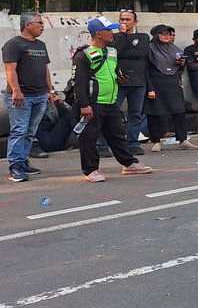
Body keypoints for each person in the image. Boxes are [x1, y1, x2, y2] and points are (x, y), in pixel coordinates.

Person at [73, 16, 154, 182]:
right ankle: (91, 170)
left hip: (110, 101)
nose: (113, 33)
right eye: (109, 30)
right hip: (92, 103)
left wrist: (120, 79)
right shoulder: (83, 54)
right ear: (98, 33)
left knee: (117, 135)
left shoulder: (112, 51)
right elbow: (79, 83)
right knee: (89, 137)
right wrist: (84, 105)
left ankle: (129, 163)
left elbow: (114, 71)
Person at [3, 12, 60, 182]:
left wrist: (50, 90)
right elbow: (10, 70)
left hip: (40, 95)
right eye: (39, 23)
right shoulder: (14, 44)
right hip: (21, 96)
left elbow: (45, 69)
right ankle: (15, 166)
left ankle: (23, 161)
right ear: (27, 25)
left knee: (30, 132)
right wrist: (16, 90)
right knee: (18, 131)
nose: (42, 26)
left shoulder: (41, 45)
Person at [144, 25, 198, 152]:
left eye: (168, 33)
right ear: (156, 35)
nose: (166, 36)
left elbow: (180, 69)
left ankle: (182, 140)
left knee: (179, 111)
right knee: (155, 113)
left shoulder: (175, 49)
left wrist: (180, 65)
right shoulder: (149, 50)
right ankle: (156, 141)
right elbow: (145, 71)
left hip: (172, 82)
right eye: (163, 33)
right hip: (156, 83)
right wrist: (149, 88)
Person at [113, 8, 151, 157]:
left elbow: (140, 53)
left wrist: (123, 54)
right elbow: (114, 51)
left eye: (128, 20)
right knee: (112, 112)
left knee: (135, 113)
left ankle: (133, 142)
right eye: (122, 19)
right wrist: (122, 34)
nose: (124, 22)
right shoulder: (115, 37)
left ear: (135, 22)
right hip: (119, 80)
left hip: (138, 81)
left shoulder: (142, 36)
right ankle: (105, 142)